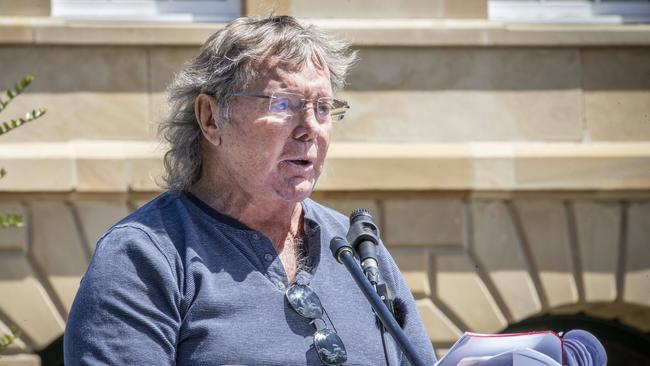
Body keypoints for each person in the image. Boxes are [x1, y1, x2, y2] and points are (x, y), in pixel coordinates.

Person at [64, 15, 437, 365]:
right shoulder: (143, 258)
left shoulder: (358, 249)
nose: (310, 128)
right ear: (211, 118)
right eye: (284, 104)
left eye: (323, 108)